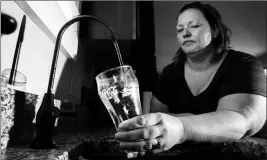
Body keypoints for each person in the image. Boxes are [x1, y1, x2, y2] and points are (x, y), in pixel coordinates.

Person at [114, 1, 266, 157]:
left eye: (194, 26)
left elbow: (241, 121)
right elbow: (158, 121)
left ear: (214, 30)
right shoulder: (169, 73)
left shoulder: (243, 64)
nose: (185, 33)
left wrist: (181, 127)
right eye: (180, 29)